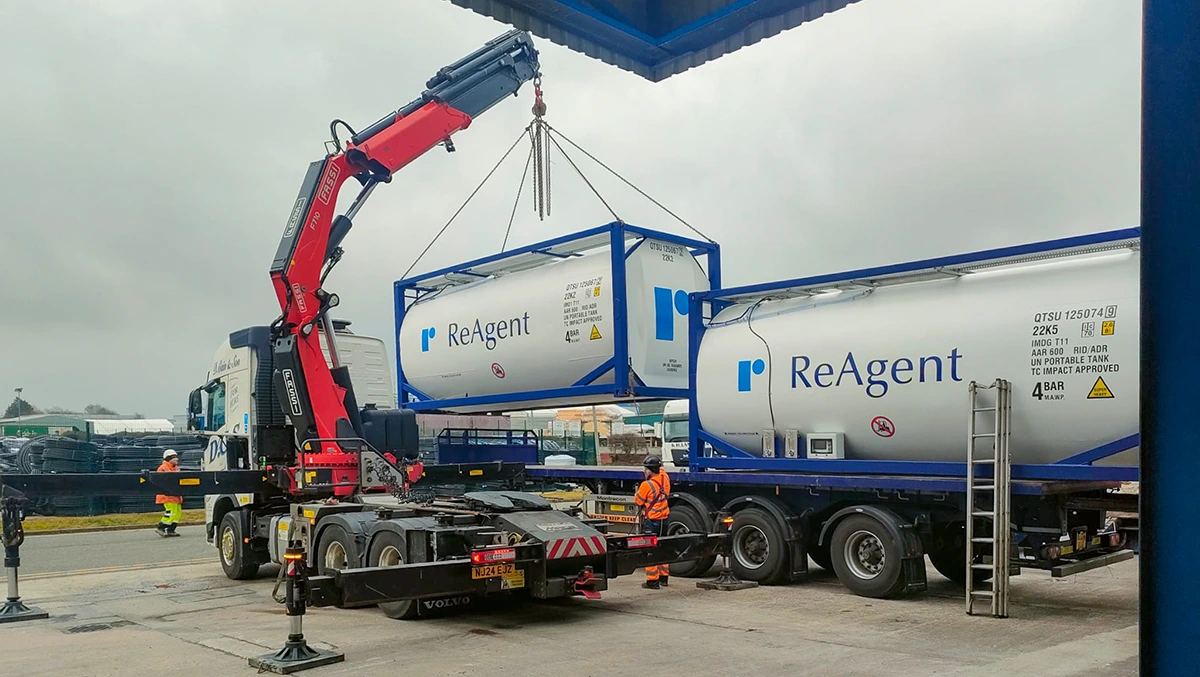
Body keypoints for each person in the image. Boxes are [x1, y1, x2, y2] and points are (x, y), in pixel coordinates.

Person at [635, 454, 671, 589]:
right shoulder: (664, 478)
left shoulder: (646, 485)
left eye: (645, 469)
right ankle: (664, 578)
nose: (644, 472)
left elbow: (638, 501)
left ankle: (652, 581)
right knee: (662, 548)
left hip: (652, 521)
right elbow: (661, 471)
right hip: (664, 520)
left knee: (650, 551)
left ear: (650, 470)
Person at [155, 449, 183, 538]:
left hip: (175, 495)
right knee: (171, 512)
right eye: (174, 458)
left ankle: (171, 530)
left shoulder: (176, 468)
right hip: (166, 495)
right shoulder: (163, 468)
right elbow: (162, 482)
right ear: (169, 458)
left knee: (177, 513)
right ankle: (161, 527)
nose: (177, 459)